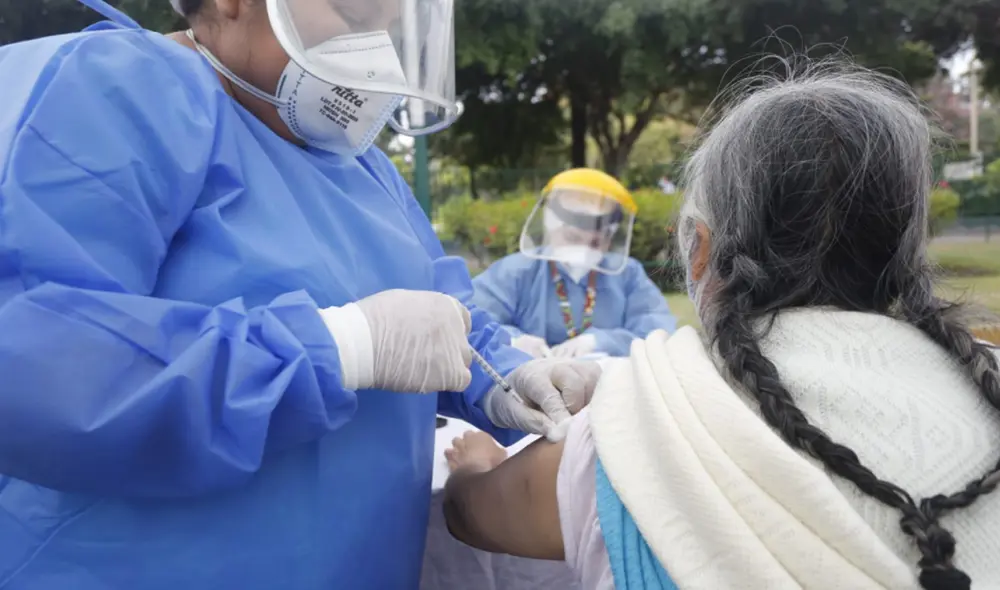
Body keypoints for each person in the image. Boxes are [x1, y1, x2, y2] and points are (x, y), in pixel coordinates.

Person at [0, 1, 603, 588]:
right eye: (354, 16)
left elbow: (442, 318)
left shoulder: (361, 166)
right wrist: (337, 348)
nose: (379, 43)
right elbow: (34, 362)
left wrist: (505, 380)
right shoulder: (122, 91)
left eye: (391, 21)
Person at [442, 61, 1000, 590]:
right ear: (907, 247)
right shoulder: (985, 380)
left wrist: (477, 464)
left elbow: (472, 512)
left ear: (699, 252)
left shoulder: (636, 423)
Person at [472, 169, 676, 360]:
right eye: (572, 238)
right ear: (551, 226)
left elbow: (659, 329)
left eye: (595, 242)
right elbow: (470, 317)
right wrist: (513, 340)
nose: (584, 249)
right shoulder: (516, 270)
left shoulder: (627, 273)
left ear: (610, 236)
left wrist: (601, 341)